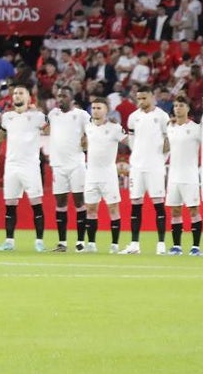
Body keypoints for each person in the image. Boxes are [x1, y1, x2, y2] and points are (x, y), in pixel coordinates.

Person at [0, 85, 48, 252]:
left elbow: (52, 127)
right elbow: (1, 136)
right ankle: (9, 242)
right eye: (15, 93)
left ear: (28, 98)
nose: (17, 95)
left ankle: (39, 242)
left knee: (36, 203)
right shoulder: (7, 117)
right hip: (11, 166)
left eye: (21, 93)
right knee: (10, 204)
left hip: (30, 166)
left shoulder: (38, 116)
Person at [121, 86, 169, 255]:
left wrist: (160, 160)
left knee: (158, 204)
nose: (140, 102)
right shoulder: (133, 117)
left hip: (155, 166)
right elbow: (132, 141)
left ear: (152, 97)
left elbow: (167, 143)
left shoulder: (162, 117)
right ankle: (135, 244)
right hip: (137, 167)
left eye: (144, 98)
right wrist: (137, 158)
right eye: (138, 99)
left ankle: (161, 244)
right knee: (135, 204)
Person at [46, 87, 91, 252]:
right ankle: (62, 243)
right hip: (58, 165)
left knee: (79, 201)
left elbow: (90, 133)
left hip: (76, 164)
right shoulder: (53, 114)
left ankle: (80, 242)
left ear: (72, 98)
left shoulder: (82, 115)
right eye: (58, 96)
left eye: (64, 96)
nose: (60, 99)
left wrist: (86, 141)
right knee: (61, 202)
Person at [83, 97, 125, 253]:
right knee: (91, 209)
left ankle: (114, 245)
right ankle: (91, 244)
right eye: (93, 108)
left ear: (106, 110)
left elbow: (128, 142)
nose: (95, 111)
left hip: (108, 175)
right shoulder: (87, 127)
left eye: (99, 108)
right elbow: (83, 144)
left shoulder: (115, 128)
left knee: (113, 209)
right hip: (91, 174)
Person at [164, 96, 201, 256]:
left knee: (193, 211)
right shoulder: (170, 128)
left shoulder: (196, 128)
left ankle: (195, 247)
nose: (177, 108)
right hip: (173, 176)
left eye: (181, 105)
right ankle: (177, 246)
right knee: (175, 212)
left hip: (190, 176)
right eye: (176, 105)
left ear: (188, 108)